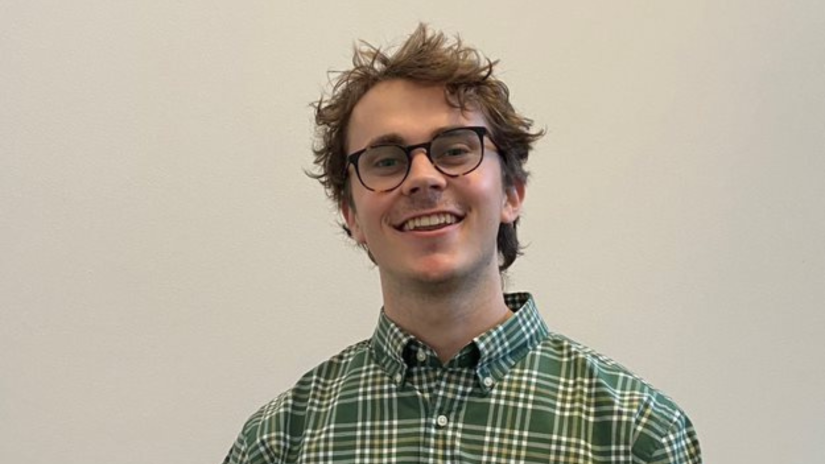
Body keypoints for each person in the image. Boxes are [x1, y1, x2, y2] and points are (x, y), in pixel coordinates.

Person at [223, 24, 702, 464]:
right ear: (352, 216)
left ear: (512, 192)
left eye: (455, 150)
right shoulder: (278, 443)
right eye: (386, 161)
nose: (423, 178)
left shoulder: (639, 436)